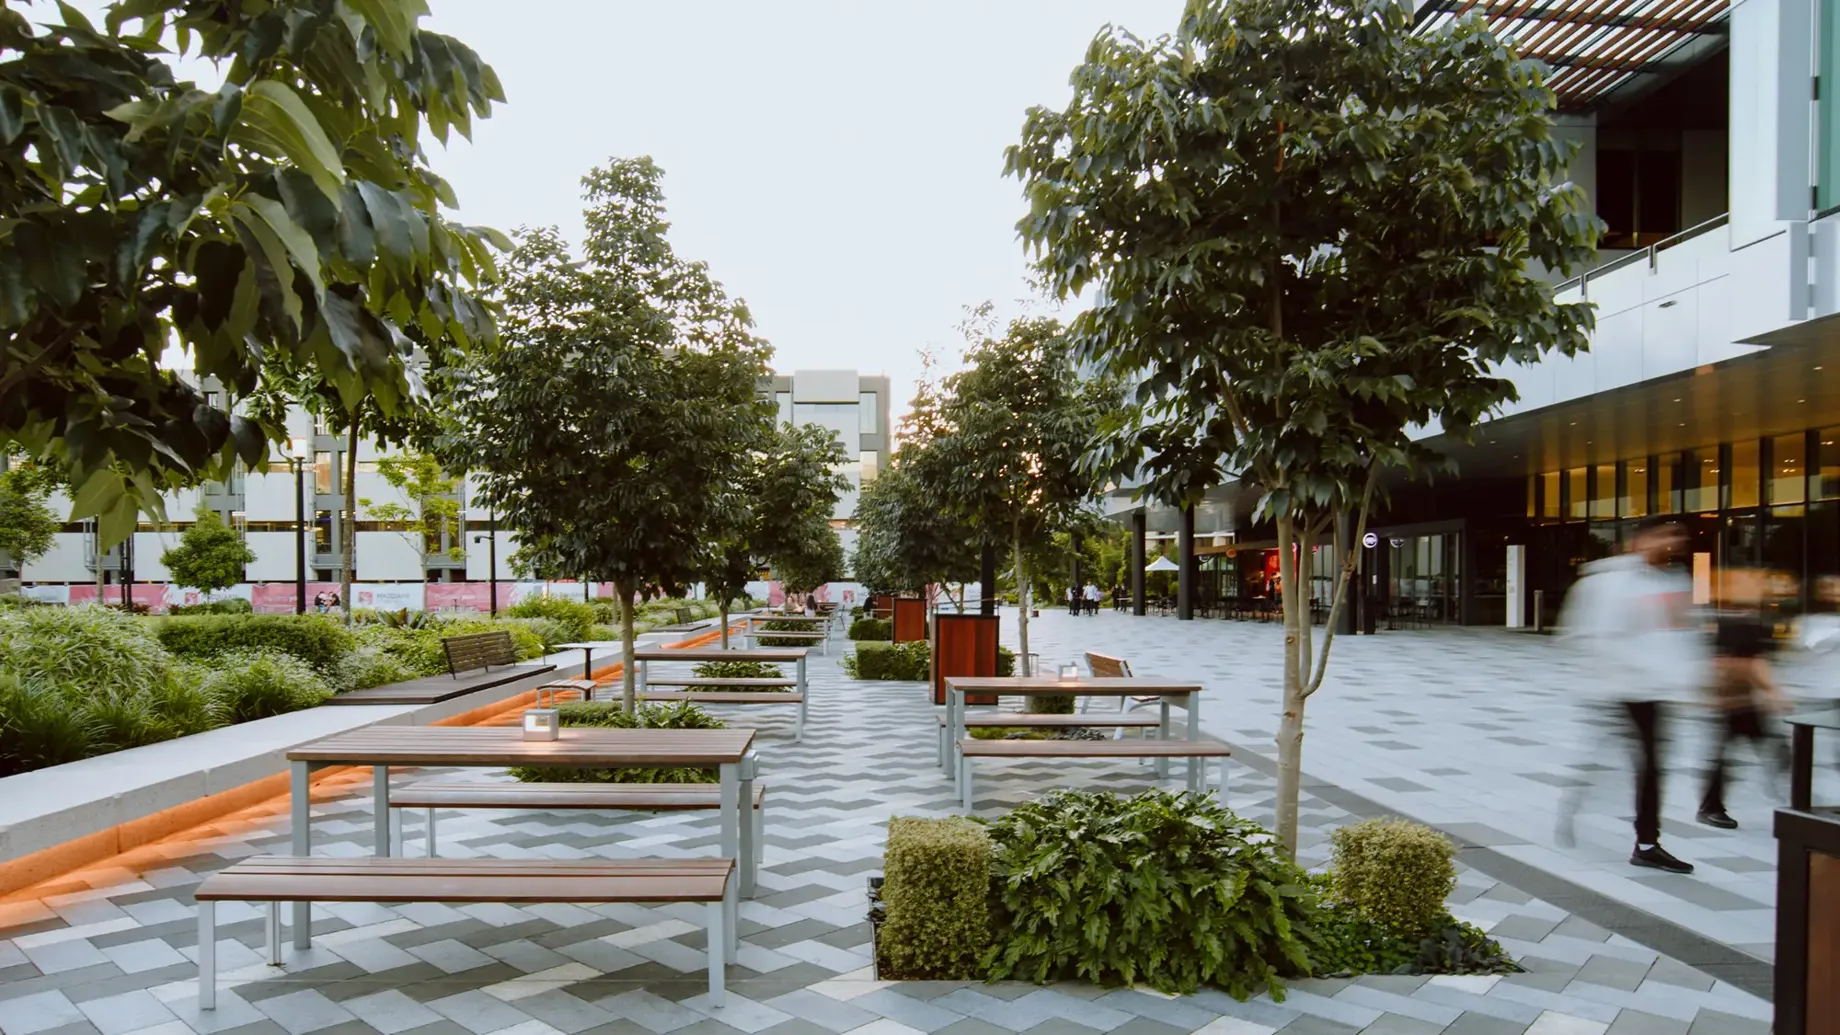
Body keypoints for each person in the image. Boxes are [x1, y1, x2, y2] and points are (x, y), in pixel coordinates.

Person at [1557, 515, 1706, 874]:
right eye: (1664, 535)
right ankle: (1644, 841)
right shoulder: (1611, 582)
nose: (1672, 543)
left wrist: (1690, 676)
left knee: (1643, 763)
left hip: (1654, 690)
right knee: (1647, 764)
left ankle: (1630, 831)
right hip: (1620, 687)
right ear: (1639, 540)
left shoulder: (1674, 579)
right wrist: (1645, 672)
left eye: (1677, 536)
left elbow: (1684, 631)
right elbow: (1597, 638)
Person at [1698, 568, 1790, 829]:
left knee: (1765, 749)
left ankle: (1711, 807)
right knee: (1736, 754)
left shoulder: (1745, 619)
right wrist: (1773, 690)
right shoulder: (1739, 622)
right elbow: (1747, 662)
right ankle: (1711, 807)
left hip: (1741, 701)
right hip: (1735, 701)